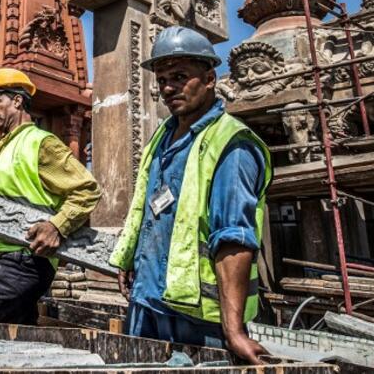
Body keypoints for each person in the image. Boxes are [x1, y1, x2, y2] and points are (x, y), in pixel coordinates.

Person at [109, 26, 272, 364]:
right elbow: (147, 209)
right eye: (162, 79)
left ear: (210, 78)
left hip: (197, 320)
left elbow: (234, 240)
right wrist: (129, 256)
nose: (168, 87)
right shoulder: (162, 138)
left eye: (180, 76)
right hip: (146, 304)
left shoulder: (231, 144)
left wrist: (234, 330)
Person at [0, 68, 102, 325]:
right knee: (13, 333)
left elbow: (87, 190)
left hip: (27, 258)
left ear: (18, 100)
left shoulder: (42, 143)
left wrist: (57, 226)